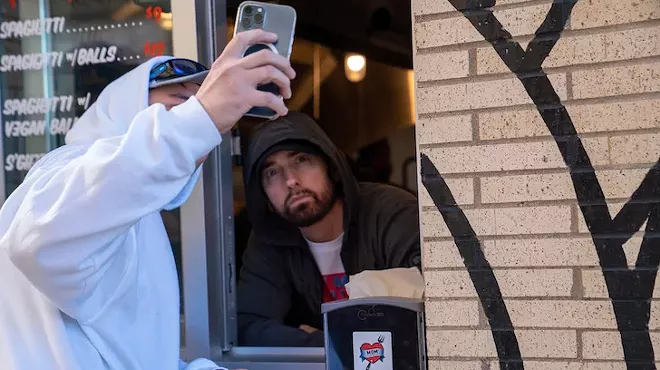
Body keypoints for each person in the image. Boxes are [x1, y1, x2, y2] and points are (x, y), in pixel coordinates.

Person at [0, 29, 295, 370]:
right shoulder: (68, 169)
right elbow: (37, 244)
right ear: (127, 109)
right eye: (179, 104)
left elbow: (132, 355)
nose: (198, 131)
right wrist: (200, 119)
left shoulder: (135, 219)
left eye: (204, 118)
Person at [237, 112, 421, 347]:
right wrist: (326, 342)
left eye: (301, 160)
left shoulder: (391, 213)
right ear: (263, 194)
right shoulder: (270, 239)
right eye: (272, 173)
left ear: (331, 166)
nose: (290, 180)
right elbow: (250, 327)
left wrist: (324, 338)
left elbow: (431, 315)